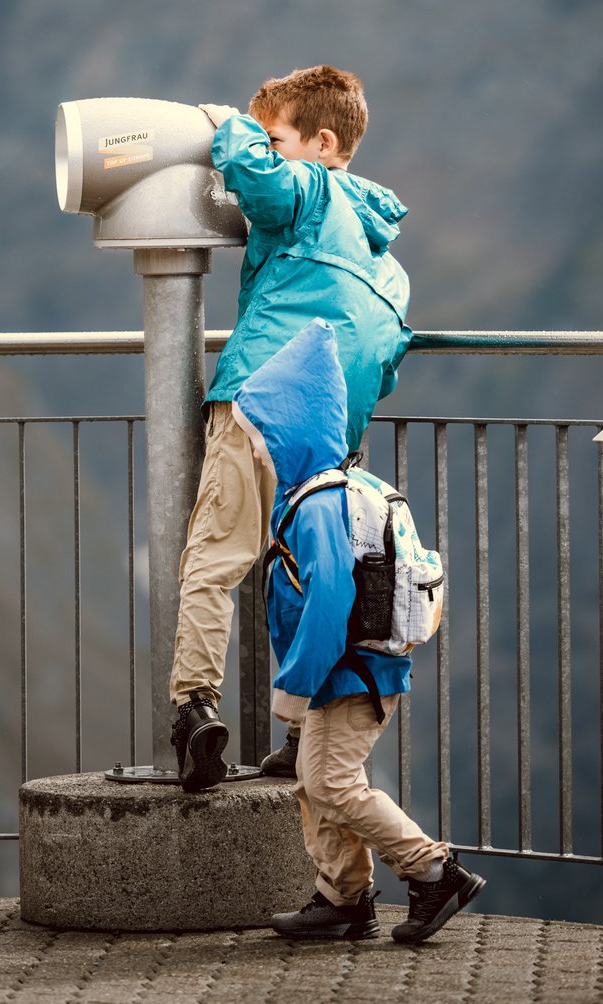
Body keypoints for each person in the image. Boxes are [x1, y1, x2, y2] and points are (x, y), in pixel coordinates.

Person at [169, 65, 412, 793]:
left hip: (261, 400)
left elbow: (257, 176)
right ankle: (301, 728)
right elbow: (386, 357)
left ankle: (194, 709)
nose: (268, 150)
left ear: (324, 143)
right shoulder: (386, 256)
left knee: (216, 556)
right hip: (331, 433)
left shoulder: (312, 190)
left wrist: (225, 124)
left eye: (280, 138)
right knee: (305, 572)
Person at [232, 317, 486, 943]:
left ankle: (433, 870)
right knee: (316, 781)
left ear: (291, 430)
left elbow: (328, 602)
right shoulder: (345, 487)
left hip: (349, 675)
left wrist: (295, 685)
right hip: (360, 670)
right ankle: (342, 898)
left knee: (331, 783)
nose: (258, 448)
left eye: (262, 435)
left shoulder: (316, 506)